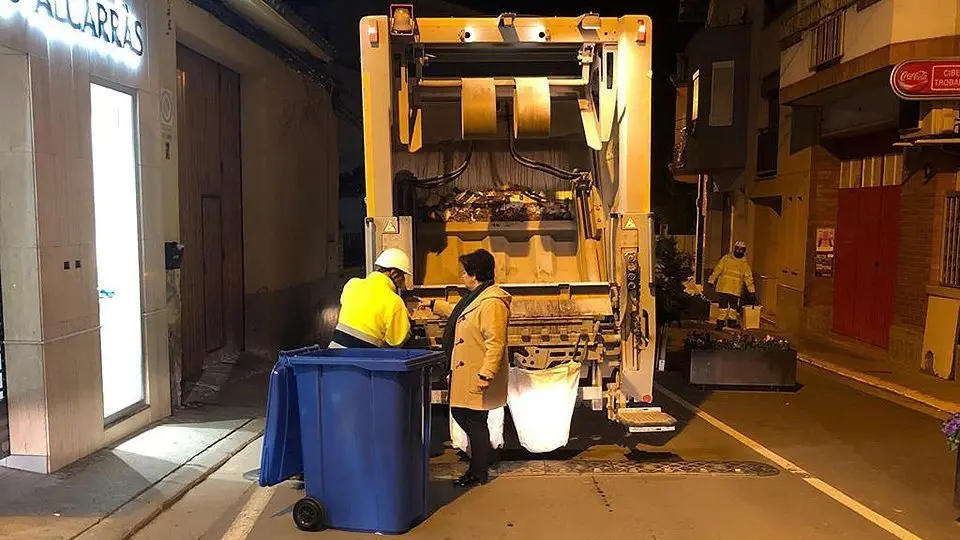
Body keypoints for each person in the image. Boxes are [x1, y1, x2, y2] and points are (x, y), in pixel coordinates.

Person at [427, 249, 511, 488]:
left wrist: (487, 374)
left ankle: (478, 471)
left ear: (474, 275)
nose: (461, 277)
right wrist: (434, 305)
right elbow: (461, 313)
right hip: (468, 371)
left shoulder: (493, 302)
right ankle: (480, 464)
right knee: (468, 416)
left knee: (471, 418)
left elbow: (496, 342)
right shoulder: (478, 296)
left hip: (477, 372)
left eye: (464, 273)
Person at [330, 248, 412, 348]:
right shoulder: (394, 301)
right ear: (394, 273)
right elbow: (396, 341)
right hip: (365, 359)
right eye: (402, 276)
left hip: (335, 353)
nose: (403, 281)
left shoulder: (352, 284)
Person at [707, 241, 756, 330]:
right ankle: (721, 323)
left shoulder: (744, 264)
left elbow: (748, 278)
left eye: (741, 250)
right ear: (735, 249)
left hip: (733, 288)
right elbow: (718, 269)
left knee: (733, 307)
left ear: (744, 251)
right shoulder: (726, 259)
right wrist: (711, 280)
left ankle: (730, 322)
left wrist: (751, 290)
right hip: (725, 287)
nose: (739, 251)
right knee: (723, 306)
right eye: (738, 249)